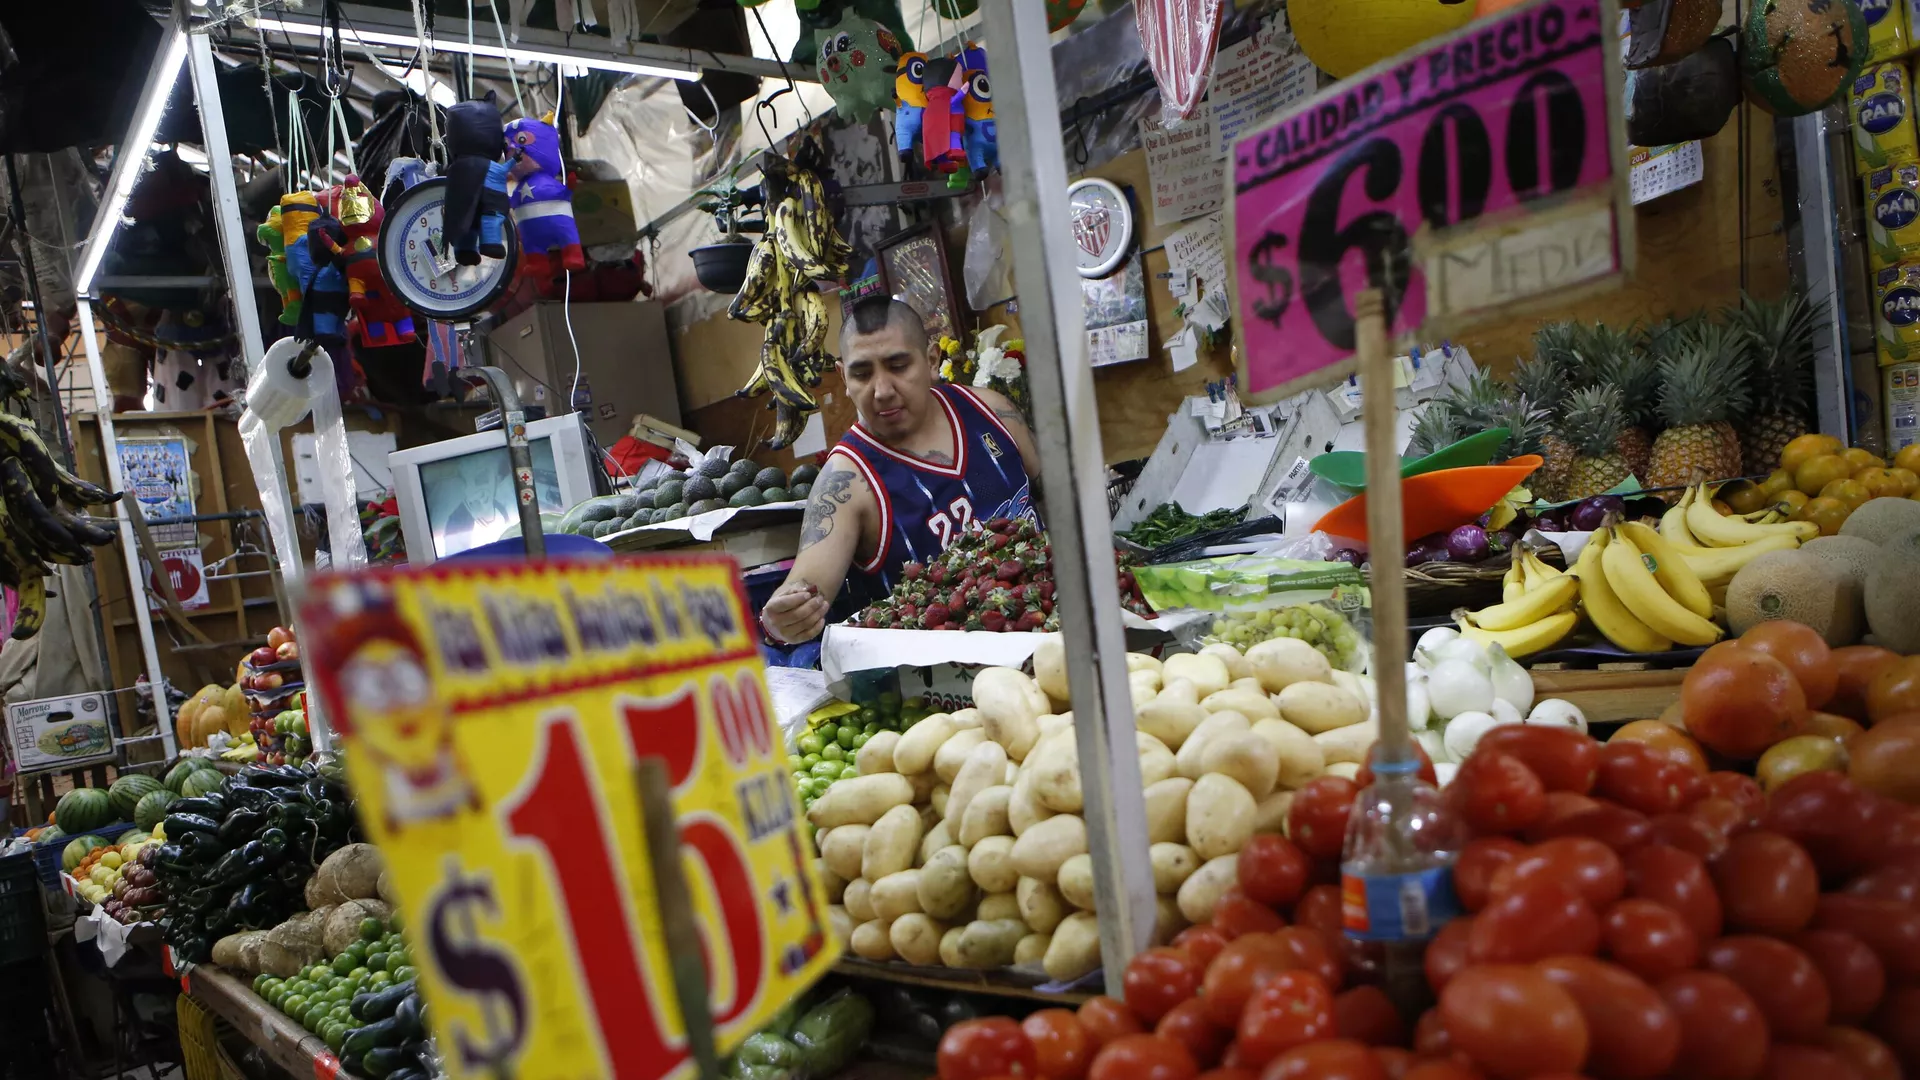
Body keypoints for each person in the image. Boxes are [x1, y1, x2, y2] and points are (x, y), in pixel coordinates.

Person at [761, 297, 1042, 644]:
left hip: (1051, 627)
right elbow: (805, 586)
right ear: (842, 376)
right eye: (862, 373)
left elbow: (1051, 496)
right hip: (945, 685)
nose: (882, 391)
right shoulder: (847, 482)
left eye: (898, 366)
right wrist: (782, 618)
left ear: (931, 360)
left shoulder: (991, 412)